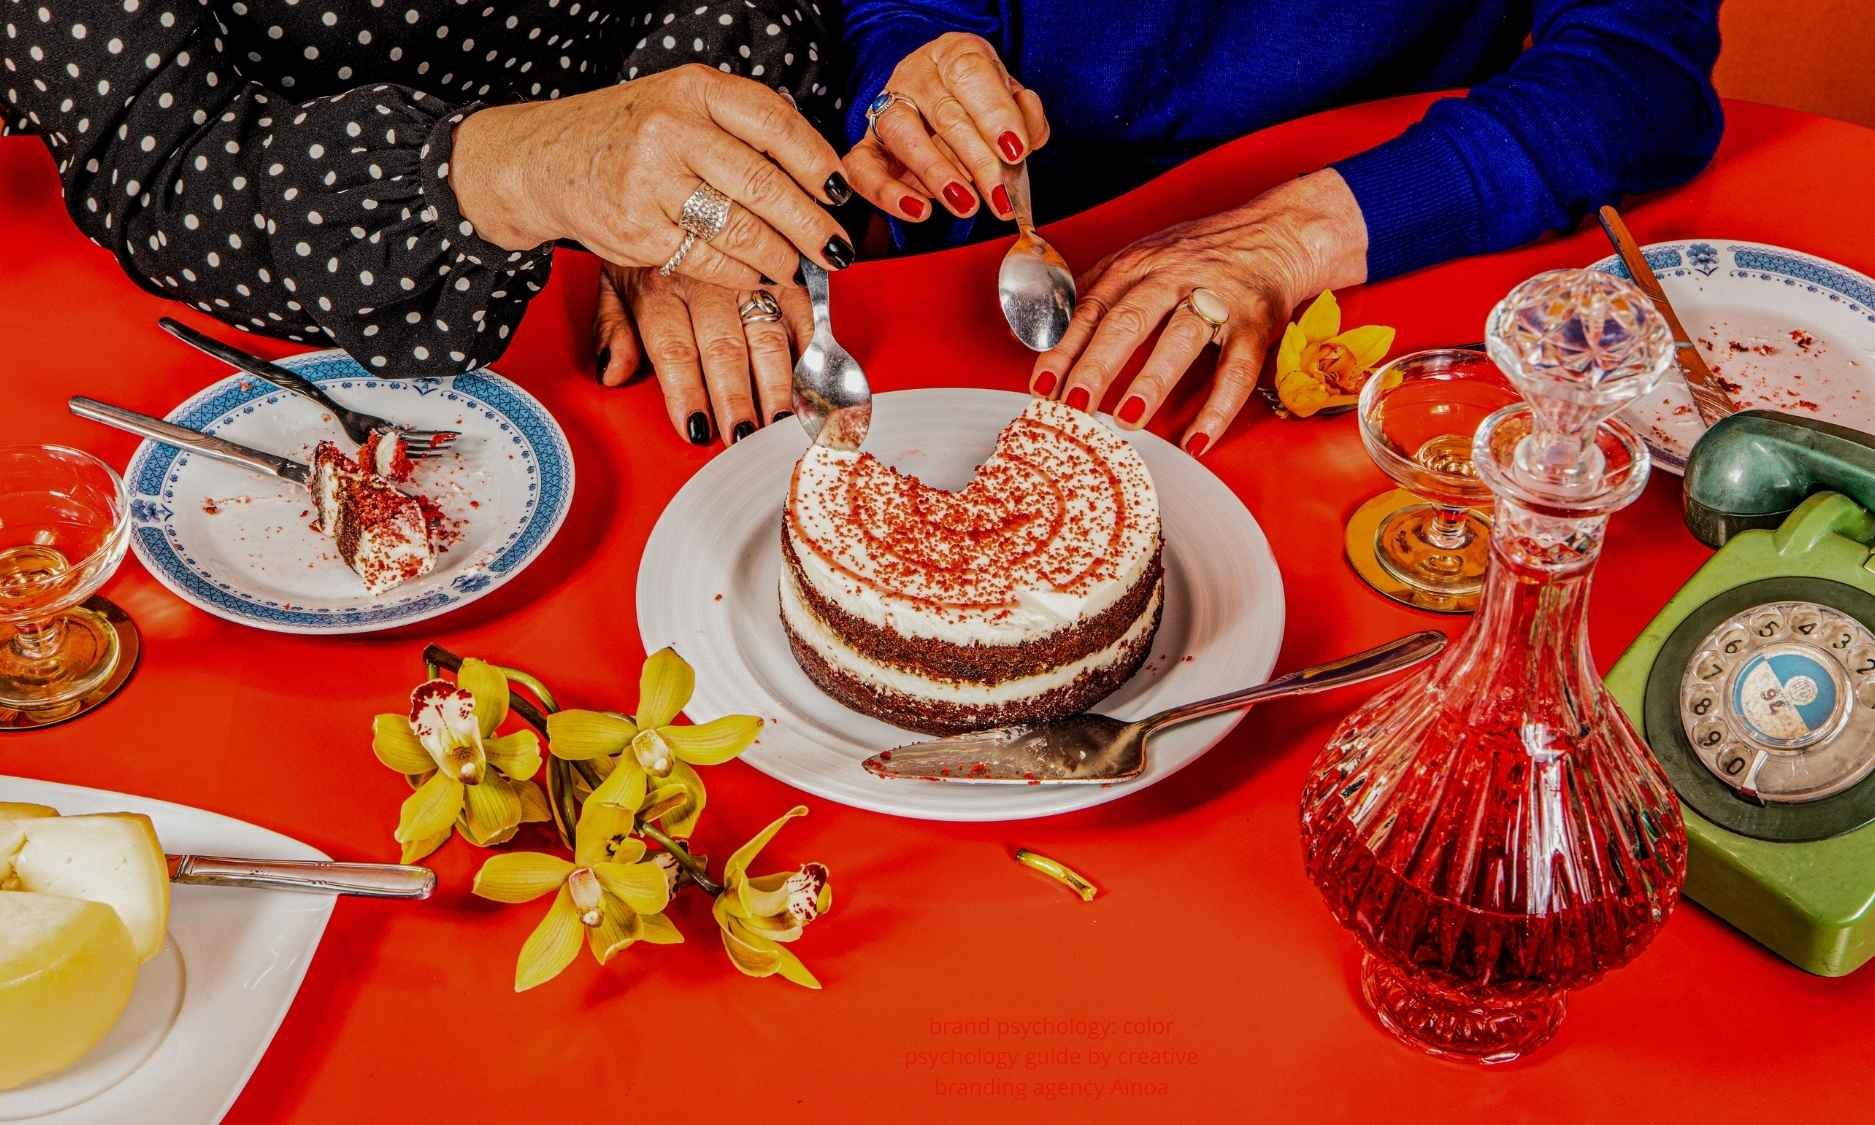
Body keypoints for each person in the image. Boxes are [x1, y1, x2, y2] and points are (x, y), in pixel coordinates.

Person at [837, 1, 1724, 456]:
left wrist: (1297, 235)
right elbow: (902, 13)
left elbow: (1639, 70)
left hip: (1385, 253)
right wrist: (916, 67)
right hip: (1024, 273)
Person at [2, 0, 854, 447]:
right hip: (258, 326)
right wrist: (531, 172)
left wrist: (680, 154)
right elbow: (167, 162)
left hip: (612, 296)